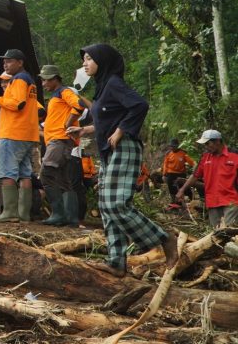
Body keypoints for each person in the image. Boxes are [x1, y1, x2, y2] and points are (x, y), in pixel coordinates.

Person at [67, 44, 177, 277]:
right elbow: (109, 118)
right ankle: (116, 262)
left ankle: (164, 239)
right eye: (84, 59)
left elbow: (139, 105)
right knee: (106, 208)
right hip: (109, 151)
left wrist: (120, 131)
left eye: (89, 59)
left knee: (116, 205)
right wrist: (85, 130)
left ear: (103, 61)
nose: (84, 63)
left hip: (124, 148)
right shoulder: (103, 87)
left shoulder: (114, 83)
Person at [0, 49, 38, 223]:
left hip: (13, 133)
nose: (5, 64)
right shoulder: (29, 81)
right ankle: (24, 214)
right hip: (27, 134)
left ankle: (9, 212)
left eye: (9, 61)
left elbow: (17, 104)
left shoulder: (19, 79)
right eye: (4, 62)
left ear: (20, 62)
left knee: (6, 171)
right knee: (25, 173)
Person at [38, 65, 85, 226]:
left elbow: (79, 105)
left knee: (46, 173)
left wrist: (68, 123)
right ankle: (71, 218)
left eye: (45, 80)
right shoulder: (56, 95)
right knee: (63, 179)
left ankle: (58, 214)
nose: (43, 84)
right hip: (59, 140)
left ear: (54, 79)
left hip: (60, 140)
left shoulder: (64, 92)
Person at [175, 130, 238, 228]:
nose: (206, 147)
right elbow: (195, 175)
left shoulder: (234, 155)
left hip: (231, 200)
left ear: (217, 141)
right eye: (205, 144)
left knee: (229, 231)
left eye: (208, 143)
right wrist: (182, 190)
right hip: (212, 200)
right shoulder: (205, 157)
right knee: (216, 233)